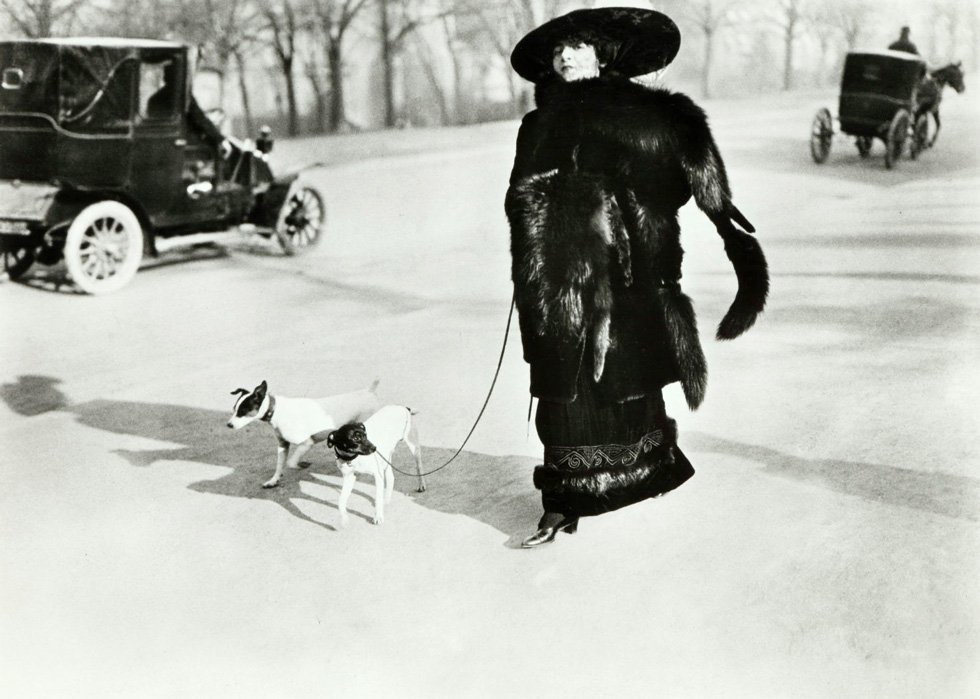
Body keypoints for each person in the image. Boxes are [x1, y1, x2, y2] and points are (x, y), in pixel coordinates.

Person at [505, 8, 769, 548]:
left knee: (628, 375)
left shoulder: (649, 115)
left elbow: (685, 173)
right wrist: (562, 215)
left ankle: (644, 471)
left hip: (632, 276)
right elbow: (519, 196)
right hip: (559, 279)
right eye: (557, 52)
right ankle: (563, 501)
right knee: (566, 388)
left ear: (602, 54)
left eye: (576, 47)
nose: (564, 57)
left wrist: (731, 233)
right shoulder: (539, 124)